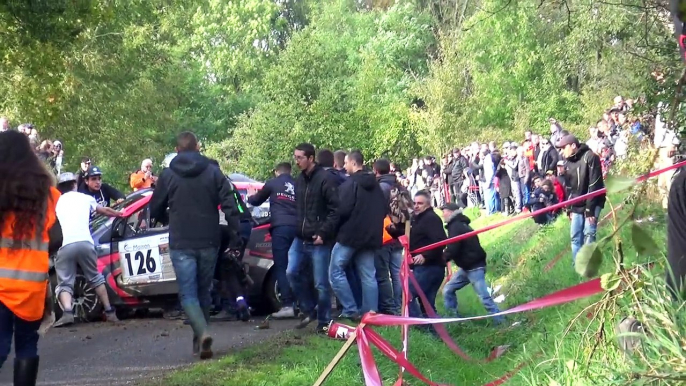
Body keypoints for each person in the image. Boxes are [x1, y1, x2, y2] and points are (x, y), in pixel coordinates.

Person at [150, 131, 242, 360]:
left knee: (188, 294)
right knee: (204, 291)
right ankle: (201, 341)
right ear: (198, 147)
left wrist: (166, 219)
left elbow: (155, 207)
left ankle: (202, 334)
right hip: (209, 239)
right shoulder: (213, 172)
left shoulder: (168, 174)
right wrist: (235, 231)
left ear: (177, 149)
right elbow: (230, 202)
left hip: (181, 240)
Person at [0, 131, 60, 385]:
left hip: (1, 286)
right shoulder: (48, 195)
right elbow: (57, 238)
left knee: (0, 346)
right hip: (32, 286)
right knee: (27, 345)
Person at [52, 173, 124, 327]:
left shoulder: (57, 202)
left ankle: (67, 313)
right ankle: (110, 311)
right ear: (74, 184)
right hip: (86, 243)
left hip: (67, 245)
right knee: (95, 277)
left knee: (65, 282)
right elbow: (104, 211)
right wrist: (119, 214)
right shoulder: (85, 198)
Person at [288, 143, 339, 334]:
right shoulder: (299, 180)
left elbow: (335, 210)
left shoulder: (325, 179)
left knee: (321, 283)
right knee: (291, 272)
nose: (297, 161)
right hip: (300, 236)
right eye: (295, 157)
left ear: (311, 158)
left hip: (319, 238)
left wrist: (323, 233)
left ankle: (324, 321)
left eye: (300, 157)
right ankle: (309, 309)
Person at [329, 150, 386, 320]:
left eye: (346, 163)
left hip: (350, 236)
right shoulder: (376, 185)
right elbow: (383, 209)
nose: (344, 166)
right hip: (371, 236)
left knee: (335, 272)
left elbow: (342, 210)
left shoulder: (349, 184)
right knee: (369, 275)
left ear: (354, 163)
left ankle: (350, 309)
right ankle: (371, 313)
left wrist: (335, 229)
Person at [248, 162, 298, 319]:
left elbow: (256, 201)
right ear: (290, 172)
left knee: (281, 266)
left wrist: (250, 195)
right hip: (299, 228)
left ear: (277, 172)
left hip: (281, 228)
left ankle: (287, 305)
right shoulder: (298, 184)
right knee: (300, 265)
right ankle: (306, 303)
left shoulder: (273, 183)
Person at [440, 203, 503, 324]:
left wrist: (441, 259)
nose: (443, 214)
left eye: (445, 211)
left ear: (452, 212)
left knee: (484, 297)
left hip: (474, 267)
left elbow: (453, 247)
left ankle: (500, 321)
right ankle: (454, 319)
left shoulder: (456, 226)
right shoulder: (459, 224)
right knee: (448, 290)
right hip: (467, 267)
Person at [555, 134, 605, 264]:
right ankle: (577, 264)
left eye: (563, 148)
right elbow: (569, 189)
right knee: (575, 236)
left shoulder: (591, 157)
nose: (561, 152)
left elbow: (595, 184)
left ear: (573, 146)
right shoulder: (566, 163)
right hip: (576, 204)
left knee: (589, 232)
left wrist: (590, 209)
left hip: (593, 201)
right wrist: (569, 208)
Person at [407, 191, 447, 323]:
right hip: (425, 267)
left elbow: (441, 240)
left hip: (430, 267)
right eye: (415, 203)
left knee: (408, 294)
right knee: (427, 305)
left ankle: (419, 326)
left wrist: (425, 256)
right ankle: (434, 333)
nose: (416, 206)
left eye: (420, 203)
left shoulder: (431, 218)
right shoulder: (416, 218)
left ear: (428, 204)